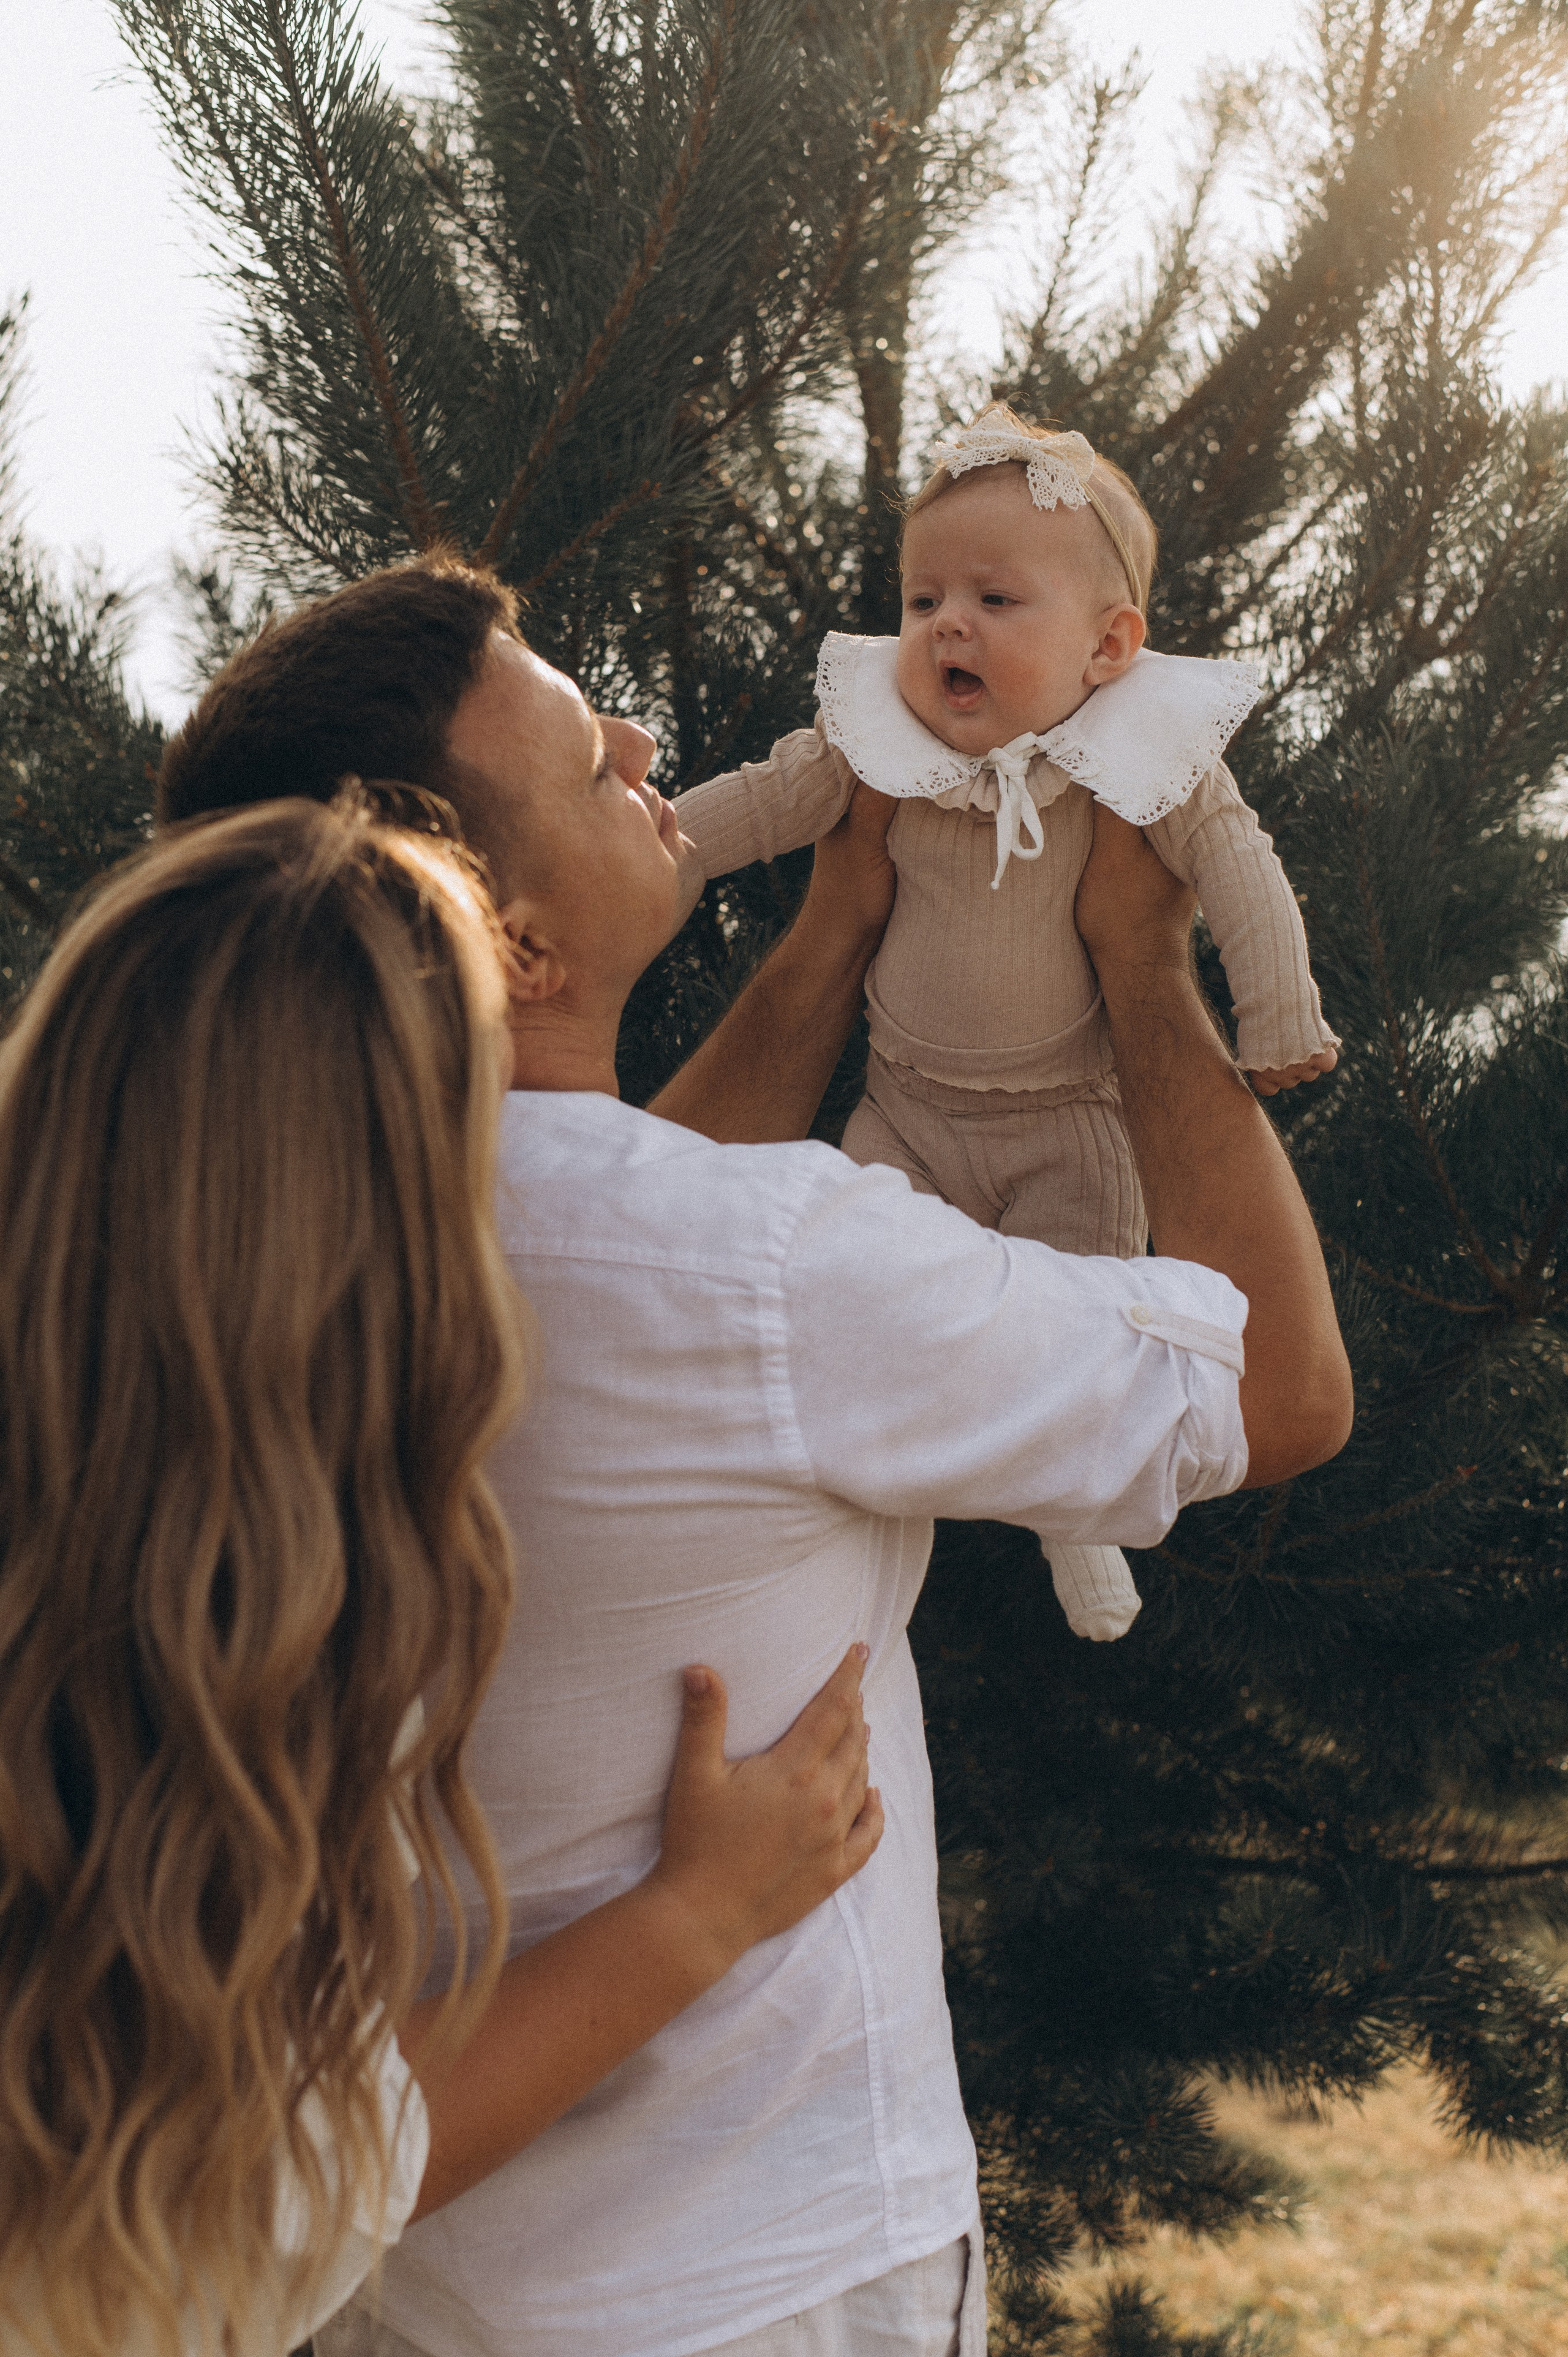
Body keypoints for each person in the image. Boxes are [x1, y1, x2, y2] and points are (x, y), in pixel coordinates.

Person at [159, 553, 1354, 2357]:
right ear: (517, 939)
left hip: (403, 2283)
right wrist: (1139, 962)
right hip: (769, 2286)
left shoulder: (253, 1254)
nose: (641, 739)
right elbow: (1275, 1393)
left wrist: (833, 936)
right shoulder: (772, 1273)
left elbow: (643, 1224)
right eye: (583, 757)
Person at [0, 798, 883, 2357]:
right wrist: (687, 1920)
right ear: (371, 1244)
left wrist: (821, 956)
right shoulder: (273, 1626)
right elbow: (226, 2214)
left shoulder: (146, 1557)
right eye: (490, 1132)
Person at [674, 403, 1341, 1648]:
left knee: (1087, 1314)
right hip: (906, 1108)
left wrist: (1276, 1018)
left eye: (992, 598)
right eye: (922, 600)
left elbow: (1239, 870)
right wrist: (661, 860)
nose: (944, 628)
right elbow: (756, 805)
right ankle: (831, 1516)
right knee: (847, 1289)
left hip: (1068, 1122)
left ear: (1108, 645)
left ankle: (1074, 1528)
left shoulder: (1145, 762)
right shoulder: (871, 746)